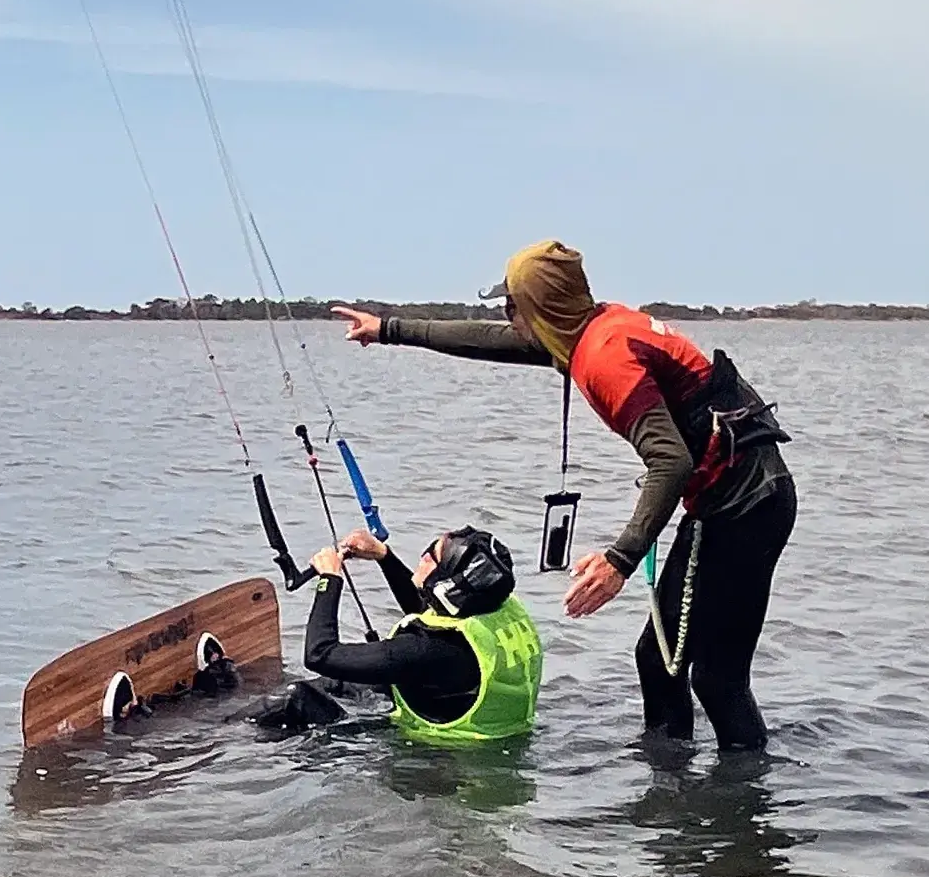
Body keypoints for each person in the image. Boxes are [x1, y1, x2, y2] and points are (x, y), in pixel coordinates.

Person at [331, 240, 795, 752]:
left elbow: (670, 460)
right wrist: (389, 329)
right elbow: (489, 340)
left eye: (514, 307)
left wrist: (619, 560)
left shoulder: (605, 357)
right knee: (669, 662)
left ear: (539, 308)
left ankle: (713, 805)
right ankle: (682, 797)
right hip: (743, 501)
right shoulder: (594, 328)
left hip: (743, 509)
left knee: (708, 675)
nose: (509, 319)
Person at [289, 525, 545, 744]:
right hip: (491, 735)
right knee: (337, 684)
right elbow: (435, 610)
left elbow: (319, 654)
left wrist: (330, 579)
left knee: (294, 698)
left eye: (431, 556)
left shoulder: (424, 649)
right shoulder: (498, 611)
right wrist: (384, 557)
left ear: (447, 586)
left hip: (437, 759)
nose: (422, 555)